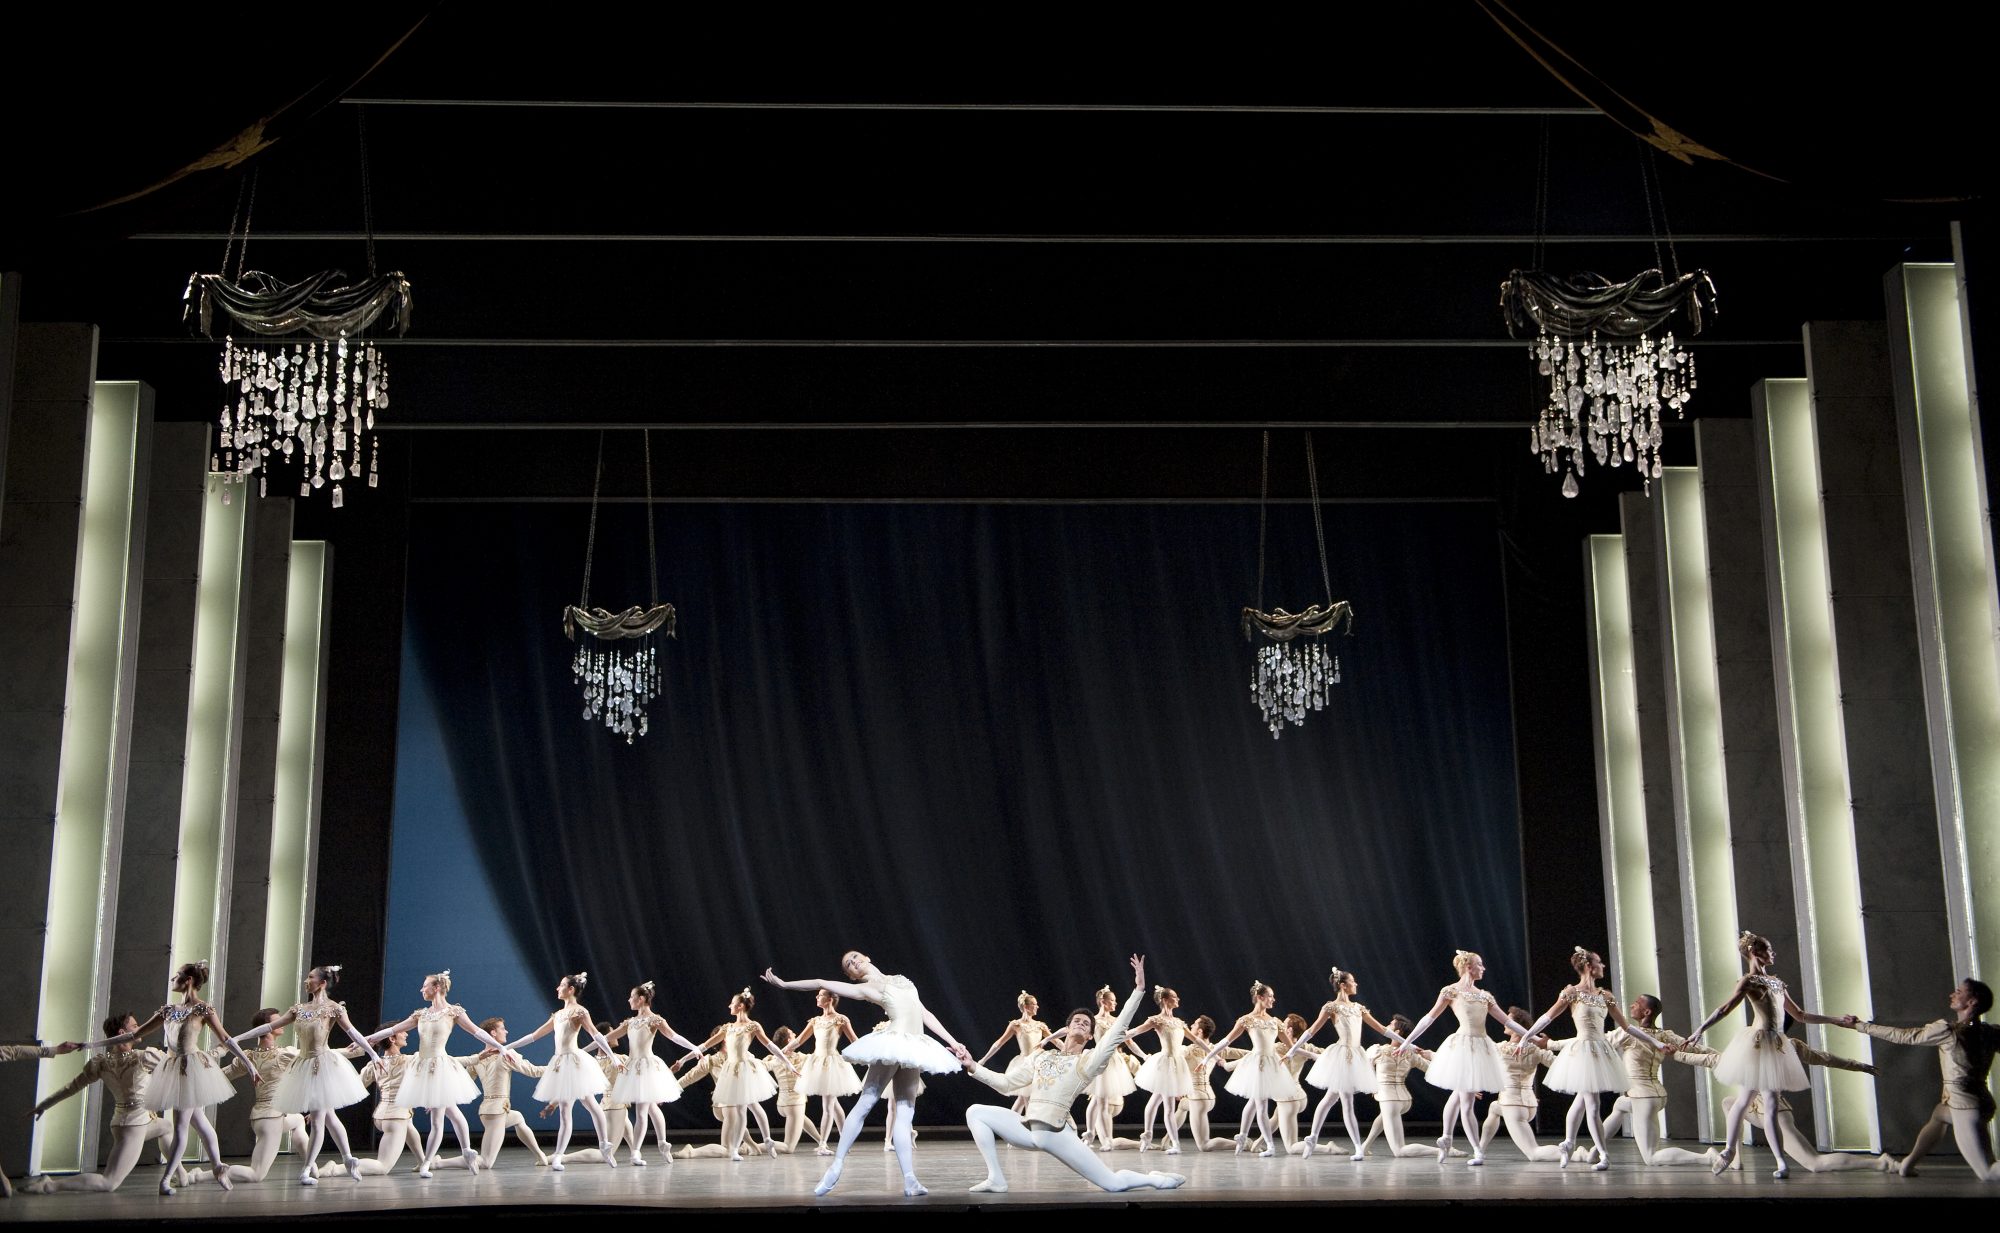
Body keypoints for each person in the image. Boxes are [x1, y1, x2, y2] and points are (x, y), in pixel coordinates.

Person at [955, 954, 1185, 1194]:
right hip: (1028, 1129)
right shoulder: (1041, 1056)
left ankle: (1155, 1179)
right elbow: (1006, 1084)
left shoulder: (1087, 1061)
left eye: (1086, 1024)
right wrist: (973, 1066)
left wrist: (1138, 990)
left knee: (1112, 1184)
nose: (1081, 1023)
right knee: (976, 1112)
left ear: (1089, 1037)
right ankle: (996, 1179)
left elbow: (1118, 1030)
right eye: (1077, 1021)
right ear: (1066, 1029)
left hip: (1056, 1133)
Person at [762, 951, 968, 1197]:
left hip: (915, 1045)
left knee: (905, 1112)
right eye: (849, 965)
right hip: (894, 1043)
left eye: (855, 957)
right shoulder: (867, 989)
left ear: (867, 957)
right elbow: (820, 983)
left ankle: (910, 1179)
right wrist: (784, 984)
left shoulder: (902, 979)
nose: (854, 962)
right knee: (867, 1101)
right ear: (852, 975)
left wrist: (953, 1042)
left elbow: (924, 1013)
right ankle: (836, 1165)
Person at [83, 960, 260, 1195]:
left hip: (191, 1068)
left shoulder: (203, 1009)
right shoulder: (167, 1010)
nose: (172, 980)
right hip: (173, 1067)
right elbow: (135, 1033)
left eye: (176, 976)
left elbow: (226, 1039)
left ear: (188, 981)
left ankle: (166, 1179)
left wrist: (249, 1066)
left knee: (181, 1125)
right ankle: (218, 1167)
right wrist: (92, 1044)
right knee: (199, 1121)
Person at [1685, 931, 1843, 1178]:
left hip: (1776, 1045)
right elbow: (1725, 1008)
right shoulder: (1749, 981)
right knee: (1744, 1099)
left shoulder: (1777, 983)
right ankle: (1728, 1151)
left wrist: (1835, 1020)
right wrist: (1699, 1030)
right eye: (1768, 949)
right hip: (1757, 1044)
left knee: (1770, 1104)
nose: (1773, 953)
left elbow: (1800, 1015)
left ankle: (1780, 1162)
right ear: (1754, 953)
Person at [232, 963, 383, 1185]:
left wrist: (373, 1054)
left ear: (322, 983)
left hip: (323, 1065)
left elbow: (353, 1032)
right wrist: (238, 1038)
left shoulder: (333, 1008)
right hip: (303, 1065)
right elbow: (266, 1028)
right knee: (329, 1116)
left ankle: (306, 1170)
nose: (306, 980)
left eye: (311, 977)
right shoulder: (298, 1009)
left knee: (320, 1118)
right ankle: (348, 1158)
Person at [1517, 946, 1665, 1168]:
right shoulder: (1572, 993)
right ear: (1588, 966)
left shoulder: (1605, 996)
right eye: (1599, 962)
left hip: (1600, 1052)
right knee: (1592, 1104)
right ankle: (1603, 1154)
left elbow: (1627, 1027)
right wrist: (1525, 1037)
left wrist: (1656, 1042)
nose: (1603, 965)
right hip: (1582, 1052)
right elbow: (1547, 1017)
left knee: (1581, 1102)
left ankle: (1568, 1143)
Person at [1841, 976, 1999, 1181]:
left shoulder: (1950, 1032)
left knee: (1987, 1172)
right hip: (1977, 1100)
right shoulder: (1989, 1032)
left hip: (1965, 1106)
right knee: (1939, 1116)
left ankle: (1908, 1164)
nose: (1953, 994)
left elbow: (1904, 1035)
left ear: (1972, 1002)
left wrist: (1860, 1026)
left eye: (1959, 992)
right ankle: (1908, 1163)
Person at [367, 969, 510, 1177]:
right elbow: (392, 1030)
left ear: (436, 988)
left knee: (438, 1119)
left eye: (425, 985)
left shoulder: (454, 1012)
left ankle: (428, 1162)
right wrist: (370, 1038)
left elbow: (476, 1032)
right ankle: (467, 1151)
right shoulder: (420, 1014)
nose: (421, 989)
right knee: (452, 1113)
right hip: (424, 1068)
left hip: (441, 1068)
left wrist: (502, 1048)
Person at [1398, 949, 1534, 1165]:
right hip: (1462, 1046)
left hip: (1481, 1047)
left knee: (1459, 1096)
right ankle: (1476, 1150)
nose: (1483, 968)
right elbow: (1429, 1018)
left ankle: (1446, 1138)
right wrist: (1406, 1042)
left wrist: (1530, 1035)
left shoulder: (1485, 995)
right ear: (1468, 967)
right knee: (1466, 1099)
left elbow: (1506, 1022)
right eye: (1480, 964)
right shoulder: (1451, 991)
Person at [21, 1016, 175, 1194]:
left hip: (126, 1122)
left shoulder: (102, 1062)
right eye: (135, 1026)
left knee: (167, 1127)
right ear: (122, 1033)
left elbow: (71, 1087)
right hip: (134, 1125)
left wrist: (45, 1105)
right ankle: (49, 1185)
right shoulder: (143, 1057)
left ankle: (177, 1175)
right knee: (109, 1182)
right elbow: (175, 1064)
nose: (140, 1028)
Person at [499, 970, 623, 1170]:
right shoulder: (557, 1015)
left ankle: (603, 1144)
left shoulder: (579, 1012)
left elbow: (596, 1035)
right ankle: (558, 1156)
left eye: (561, 985)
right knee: (565, 1111)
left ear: (571, 989)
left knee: (590, 1104)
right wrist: (507, 1047)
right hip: (561, 1064)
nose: (558, 988)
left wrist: (612, 1057)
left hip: (574, 1062)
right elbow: (534, 1035)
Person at [1286, 966, 1407, 1159]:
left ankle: (1313, 1137)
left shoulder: (1358, 1008)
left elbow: (1382, 1029)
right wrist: (1292, 1049)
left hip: (1355, 1056)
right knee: (1346, 1102)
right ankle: (1358, 1147)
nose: (1356, 984)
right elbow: (1311, 1031)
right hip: (1341, 1055)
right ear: (1343, 985)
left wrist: (1406, 1042)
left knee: (1329, 1100)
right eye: (1353, 981)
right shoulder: (1331, 1007)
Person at [1585, 994, 1715, 1167]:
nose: (1632, 1005)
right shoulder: (1665, 1036)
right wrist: (1720, 1055)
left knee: (1651, 1157)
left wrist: (1553, 1045)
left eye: (1636, 1003)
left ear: (1646, 1012)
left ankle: (1707, 1158)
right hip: (1655, 1095)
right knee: (1620, 1105)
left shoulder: (1628, 1034)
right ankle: (1596, 1151)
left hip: (1643, 1098)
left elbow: (1593, 1043)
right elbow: (1695, 1048)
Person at [602, 981, 703, 1166]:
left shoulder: (654, 1020)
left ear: (641, 999)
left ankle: (636, 1153)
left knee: (642, 1111)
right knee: (650, 1108)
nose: (628, 1000)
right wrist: (582, 1048)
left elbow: (673, 1036)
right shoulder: (630, 1022)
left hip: (647, 1068)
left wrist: (693, 1047)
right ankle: (662, 1143)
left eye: (632, 997)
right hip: (633, 1068)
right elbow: (604, 1038)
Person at [1198, 980, 1301, 1158]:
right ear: (1259, 997)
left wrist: (1296, 1055)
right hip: (1257, 1064)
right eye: (1270, 996)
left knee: (1254, 1102)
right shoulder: (1247, 1020)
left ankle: (1243, 1136)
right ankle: (1270, 1145)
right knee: (1261, 1105)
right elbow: (1226, 1041)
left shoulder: (1275, 1021)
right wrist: (1208, 1056)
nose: (1273, 999)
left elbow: (1292, 1046)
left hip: (1272, 1064)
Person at [689, 989, 794, 1161]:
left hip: (746, 1068)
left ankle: (766, 1139)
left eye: (732, 1003)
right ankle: (737, 1149)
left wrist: (787, 1062)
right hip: (731, 1070)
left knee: (749, 1107)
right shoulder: (727, 1027)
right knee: (741, 1110)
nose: (729, 1005)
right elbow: (704, 1046)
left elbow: (770, 1046)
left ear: (740, 1006)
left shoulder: (753, 1026)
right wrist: (685, 1058)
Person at [1477, 1005, 1563, 1162]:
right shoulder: (1535, 1050)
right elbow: (1558, 1064)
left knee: (1534, 1153)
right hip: (1529, 1105)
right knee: (1494, 1107)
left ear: (1517, 1027)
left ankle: (1574, 1153)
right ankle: (1480, 1150)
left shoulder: (1501, 1048)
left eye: (1508, 1021)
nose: (1505, 1023)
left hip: (1513, 1106)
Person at [783, 988, 862, 1154]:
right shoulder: (815, 1021)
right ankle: (843, 1139)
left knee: (828, 1106)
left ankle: (823, 1144)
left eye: (820, 995)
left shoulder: (841, 1019)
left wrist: (867, 1053)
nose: (817, 997)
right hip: (817, 1063)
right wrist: (784, 1050)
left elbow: (854, 1040)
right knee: (833, 1105)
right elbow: (799, 1040)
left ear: (830, 999)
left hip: (831, 1064)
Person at [1358, 1015, 1447, 1158]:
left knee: (1399, 1150)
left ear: (1397, 1032)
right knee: (1383, 1118)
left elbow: (1366, 1070)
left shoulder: (1378, 1050)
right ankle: (1364, 1147)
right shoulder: (1410, 1054)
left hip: (1389, 1099)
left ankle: (1441, 1150)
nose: (1387, 1025)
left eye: (1391, 1024)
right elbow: (1431, 1069)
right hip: (1404, 1100)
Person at [1128, 985, 1196, 1153]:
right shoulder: (1156, 1020)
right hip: (1165, 1064)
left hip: (1176, 1065)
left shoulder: (1179, 1022)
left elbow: (1196, 1040)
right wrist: (1117, 1035)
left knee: (1155, 1101)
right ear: (1165, 1000)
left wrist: (1213, 1054)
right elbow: (1136, 1031)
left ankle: (1147, 1136)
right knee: (1168, 1107)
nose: (1178, 999)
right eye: (1175, 997)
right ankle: (1175, 1144)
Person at [975, 991, 1052, 1120]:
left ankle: (1009, 1130)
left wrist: (1071, 1052)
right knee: (1027, 1099)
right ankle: (1028, 1132)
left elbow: (1056, 1040)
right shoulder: (1016, 1025)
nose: (1037, 1006)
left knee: (1023, 1099)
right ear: (1026, 1007)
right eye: (1034, 1004)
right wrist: (983, 1060)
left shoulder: (1040, 1026)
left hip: (1038, 1065)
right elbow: (998, 1043)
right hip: (1024, 1065)